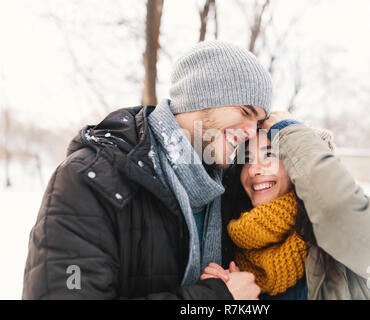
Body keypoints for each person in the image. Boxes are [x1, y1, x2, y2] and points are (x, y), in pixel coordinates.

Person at [22, 40, 272, 299]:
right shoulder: (88, 181)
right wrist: (216, 299)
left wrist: (290, 130)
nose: (251, 132)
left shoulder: (232, 188)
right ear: (201, 96)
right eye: (245, 112)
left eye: (258, 121)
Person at [201, 113, 370, 299]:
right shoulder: (227, 238)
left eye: (269, 155)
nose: (253, 170)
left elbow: (336, 206)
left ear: (296, 163)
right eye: (247, 160)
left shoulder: (357, 234)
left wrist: (288, 129)